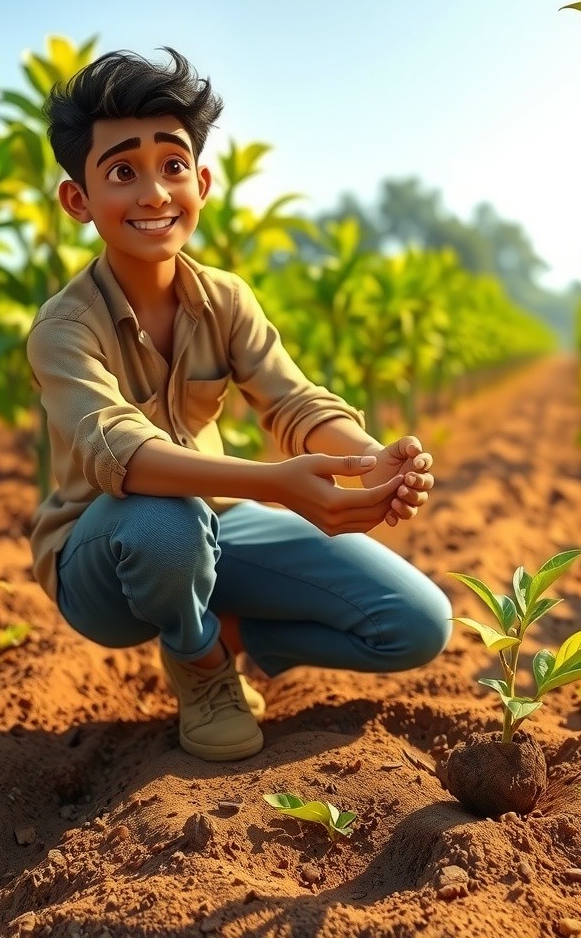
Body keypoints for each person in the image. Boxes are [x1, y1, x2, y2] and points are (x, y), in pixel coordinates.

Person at [26, 47, 451, 763]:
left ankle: (228, 632)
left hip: (217, 528)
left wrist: (366, 458)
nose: (156, 193)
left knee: (414, 623)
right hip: (100, 561)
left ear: (203, 180)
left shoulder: (224, 298)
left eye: (173, 165)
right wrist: (275, 485)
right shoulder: (64, 329)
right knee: (165, 517)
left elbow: (292, 400)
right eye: (123, 172)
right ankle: (199, 664)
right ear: (79, 200)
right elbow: (123, 455)